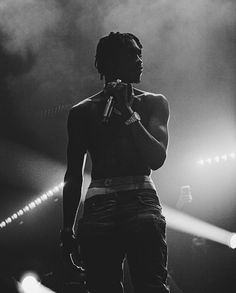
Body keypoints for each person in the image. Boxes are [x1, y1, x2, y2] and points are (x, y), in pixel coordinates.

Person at [60, 32, 170, 293]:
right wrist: (67, 226)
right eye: (132, 54)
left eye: (139, 53)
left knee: (151, 286)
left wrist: (128, 112)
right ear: (110, 63)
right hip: (99, 205)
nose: (140, 60)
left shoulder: (154, 103)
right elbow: (73, 174)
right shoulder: (82, 112)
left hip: (142, 201)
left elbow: (157, 158)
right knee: (102, 287)